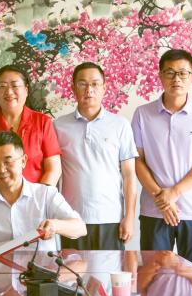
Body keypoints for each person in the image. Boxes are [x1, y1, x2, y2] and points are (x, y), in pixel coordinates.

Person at [131, 49, 192, 268]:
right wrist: (161, 198)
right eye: (169, 72)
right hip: (154, 210)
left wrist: (173, 193)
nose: (176, 78)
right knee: (153, 276)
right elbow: (137, 160)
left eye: (183, 73)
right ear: (160, 76)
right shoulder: (142, 114)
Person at [0, 131, 85, 252]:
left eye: (8, 161)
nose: (1, 169)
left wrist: (55, 225)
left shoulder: (46, 195)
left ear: (23, 161)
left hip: (40, 270)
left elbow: (80, 228)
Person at [54, 61, 138, 250]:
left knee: (110, 269)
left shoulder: (120, 125)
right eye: (82, 84)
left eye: (95, 84)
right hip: (71, 219)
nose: (89, 90)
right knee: (72, 269)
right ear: (73, 88)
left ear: (104, 88)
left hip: (110, 218)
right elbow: (55, 174)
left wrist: (129, 217)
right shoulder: (59, 126)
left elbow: (129, 175)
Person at [0, 65, 61, 187]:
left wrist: (39, 196)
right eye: (2, 86)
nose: (9, 91)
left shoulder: (43, 122)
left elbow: (53, 169)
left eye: (15, 85)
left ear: (26, 90)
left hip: (36, 197)